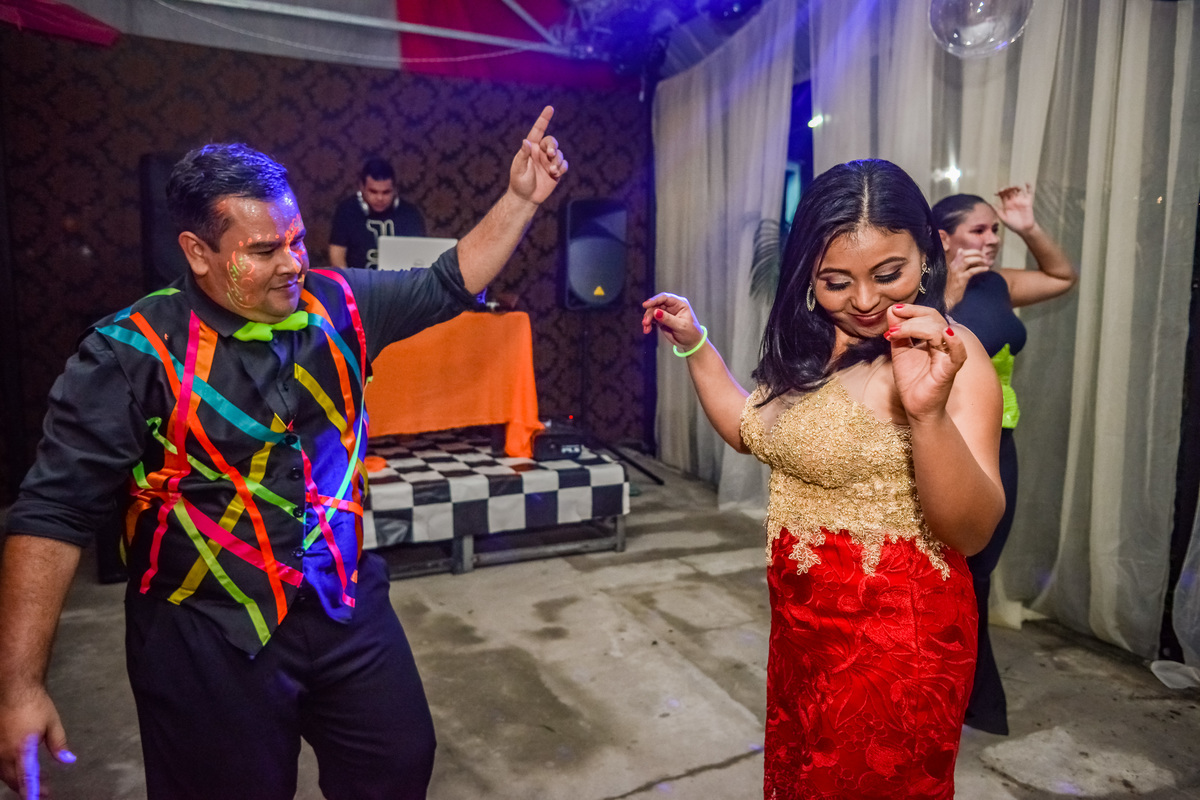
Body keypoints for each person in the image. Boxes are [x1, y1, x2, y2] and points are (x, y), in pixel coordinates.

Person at [0, 107, 567, 800]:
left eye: (297, 241)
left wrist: (519, 199)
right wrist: (20, 686)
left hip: (341, 604)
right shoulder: (129, 352)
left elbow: (447, 281)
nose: (293, 263)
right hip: (203, 632)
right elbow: (51, 514)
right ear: (198, 252)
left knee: (397, 763)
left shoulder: (341, 306)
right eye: (265, 250)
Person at [644, 159, 1004, 799]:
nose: (865, 301)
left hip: (896, 646)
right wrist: (695, 344)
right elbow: (753, 431)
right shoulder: (813, 348)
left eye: (888, 275)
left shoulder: (951, 352)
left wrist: (926, 417)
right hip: (803, 633)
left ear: (927, 253)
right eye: (837, 281)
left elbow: (971, 531)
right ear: (809, 276)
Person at [932, 185, 1078, 736]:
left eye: (996, 230)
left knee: (978, 572)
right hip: (943, 441)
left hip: (999, 445)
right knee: (950, 571)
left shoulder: (998, 284)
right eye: (980, 230)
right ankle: (955, 691)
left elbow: (1062, 277)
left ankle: (969, 690)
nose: (991, 240)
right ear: (943, 237)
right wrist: (946, 293)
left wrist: (1028, 226)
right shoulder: (920, 284)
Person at [329, 157, 425, 269]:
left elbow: (420, 256)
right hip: (357, 283)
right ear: (362, 187)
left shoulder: (410, 214)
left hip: (399, 284)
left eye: (386, 192)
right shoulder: (347, 211)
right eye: (373, 191)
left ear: (395, 189)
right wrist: (347, 284)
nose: (380, 198)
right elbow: (337, 256)